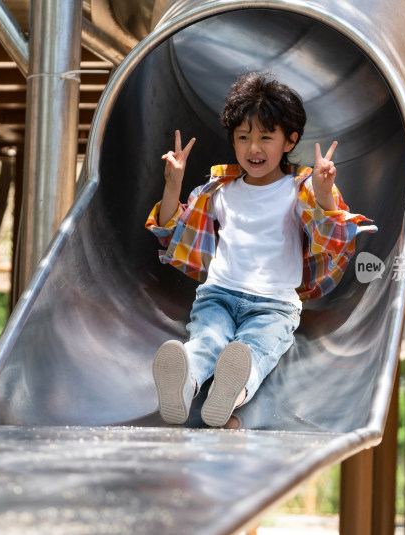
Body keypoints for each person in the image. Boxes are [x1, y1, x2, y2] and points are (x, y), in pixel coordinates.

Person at [145, 72, 377, 427]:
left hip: (274, 304)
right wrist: (173, 183)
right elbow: (171, 231)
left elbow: (331, 232)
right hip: (218, 294)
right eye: (243, 138)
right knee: (206, 340)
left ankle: (229, 394)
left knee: (256, 350)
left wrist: (324, 188)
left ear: (289, 141)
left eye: (266, 137)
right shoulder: (219, 190)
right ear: (233, 141)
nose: (254, 149)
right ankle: (184, 382)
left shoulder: (298, 190)